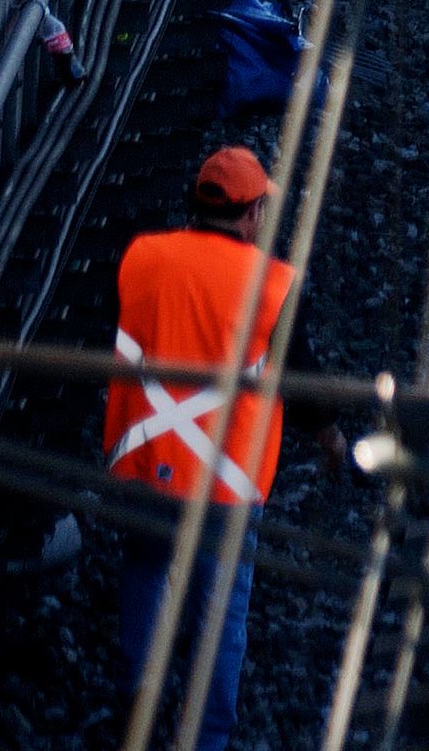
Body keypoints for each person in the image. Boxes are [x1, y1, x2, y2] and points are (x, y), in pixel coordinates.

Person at [107, 148, 342, 751]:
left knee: (146, 578)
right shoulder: (273, 286)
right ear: (251, 216)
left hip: (143, 469)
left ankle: (134, 708)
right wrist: (330, 437)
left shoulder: (142, 259)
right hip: (224, 488)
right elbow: (301, 374)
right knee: (219, 619)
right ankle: (207, 738)